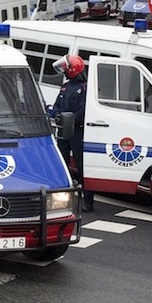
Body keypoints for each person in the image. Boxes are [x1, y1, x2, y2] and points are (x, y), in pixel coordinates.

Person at [51, 54, 94, 212]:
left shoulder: (84, 88)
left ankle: (88, 200)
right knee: (62, 165)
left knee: (82, 167)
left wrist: (70, 119)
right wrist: (56, 115)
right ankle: (61, 197)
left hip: (77, 132)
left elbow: (83, 110)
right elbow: (56, 106)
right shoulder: (65, 87)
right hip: (63, 132)